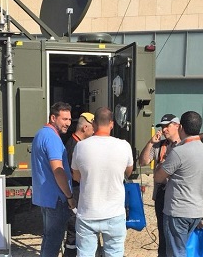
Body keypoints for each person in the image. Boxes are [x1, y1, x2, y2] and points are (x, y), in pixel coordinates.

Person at [71, 107, 133, 257]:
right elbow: (128, 172)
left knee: (85, 254)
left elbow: (76, 176)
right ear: (111, 123)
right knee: (115, 253)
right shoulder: (124, 145)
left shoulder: (80, 146)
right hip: (114, 213)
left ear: (94, 123)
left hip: (88, 213)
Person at [154, 111, 203, 257]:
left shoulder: (179, 151)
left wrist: (162, 165)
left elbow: (159, 178)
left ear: (181, 128)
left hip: (178, 211)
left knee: (175, 252)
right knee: (182, 248)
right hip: (195, 210)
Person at [31, 101, 76, 257]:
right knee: (54, 240)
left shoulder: (40, 134)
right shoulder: (53, 138)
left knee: (48, 237)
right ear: (53, 117)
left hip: (45, 197)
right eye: (64, 119)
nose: (68, 123)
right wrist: (69, 196)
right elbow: (58, 170)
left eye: (69, 119)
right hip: (56, 198)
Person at [139, 114, 181, 257]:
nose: (164, 129)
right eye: (162, 126)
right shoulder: (160, 145)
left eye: (167, 126)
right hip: (162, 193)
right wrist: (150, 143)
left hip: (178, 194)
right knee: (163, 231)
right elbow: (143, 161)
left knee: (177, 233)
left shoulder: (184, 145)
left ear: (177, 125)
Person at [63, 112, 94, 255]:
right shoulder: (74, 146)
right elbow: (75, 176)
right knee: (73, 232)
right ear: (84, 127)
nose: (94, 130)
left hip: (77, 193)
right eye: (92, 127)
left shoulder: (77, 143)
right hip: (75, 194)